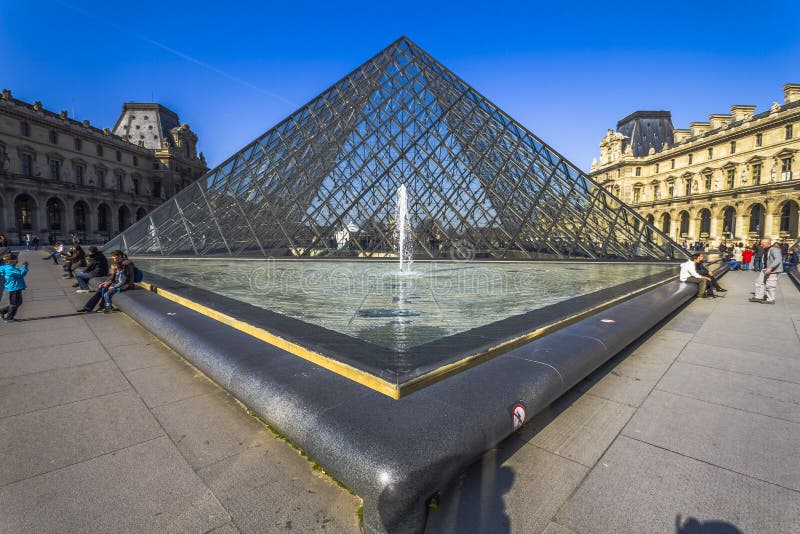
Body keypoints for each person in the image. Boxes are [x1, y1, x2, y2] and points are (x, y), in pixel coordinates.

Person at [750, 238, 783, 304]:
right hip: (765, 268)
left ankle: (770, 299)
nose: (761, 245)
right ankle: (759, 297)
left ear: (768, 243)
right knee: (759, 282)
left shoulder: (774, 249)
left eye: (763, 244)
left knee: (770, 285)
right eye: (761, 244)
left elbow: (778, 259)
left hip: (772, 270)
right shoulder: (766, 249)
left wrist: (770, 267)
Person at [0, 253, 28, 322]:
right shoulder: (9, 269)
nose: (17, 262)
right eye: (16, 261)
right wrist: (24, 267)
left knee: (18, 302)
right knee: (14, 304)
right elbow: (20, 274)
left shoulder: (10, 267)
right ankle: (8, 318)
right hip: (14, 287)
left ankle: (2, 311)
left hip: (16, 287)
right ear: (10, 261)